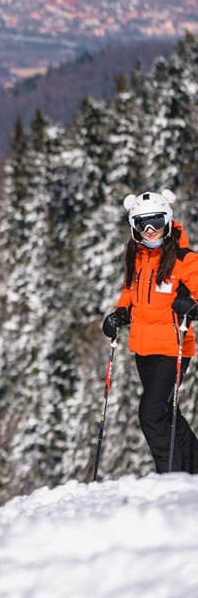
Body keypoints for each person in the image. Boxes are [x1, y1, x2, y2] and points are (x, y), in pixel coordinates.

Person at [102, 189, 198, 473]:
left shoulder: (185, 259)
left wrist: (190, 306)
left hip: (173, 347)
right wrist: (120, 313)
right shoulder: (137, 256)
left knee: (152, 413)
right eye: (143, 224)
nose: (150, 230)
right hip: (143, 349)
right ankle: (194, 466)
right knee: (168, 413)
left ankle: (168, 475)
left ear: (167, 222)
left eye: (156, 221)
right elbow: (130, 292)